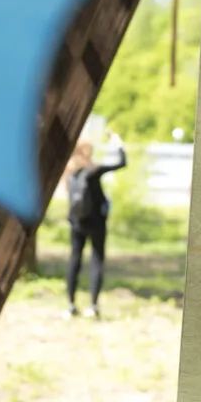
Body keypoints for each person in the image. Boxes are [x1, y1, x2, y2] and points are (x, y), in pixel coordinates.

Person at [63, 131, 127, 319]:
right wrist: (117, 142)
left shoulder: (68, 171)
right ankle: (93, 306)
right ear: (87, 151)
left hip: (76, 222)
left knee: (75, 260)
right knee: (97, 261)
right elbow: (122, 163)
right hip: (96, 223)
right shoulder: (94, 170)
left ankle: (71, 305)